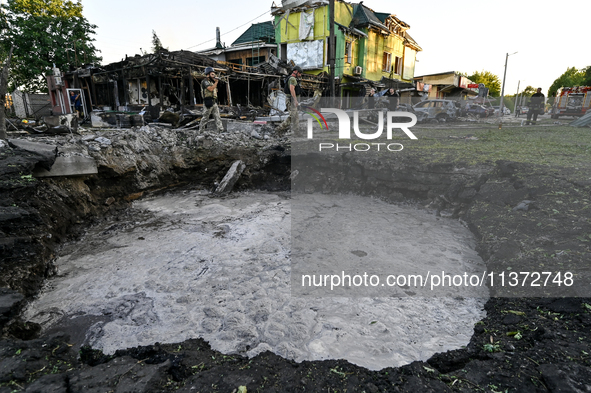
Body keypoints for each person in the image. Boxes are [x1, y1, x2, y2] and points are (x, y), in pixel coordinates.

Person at [277, 66, 302, 134]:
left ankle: (296, 131)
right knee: (293, 116)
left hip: (291, 99)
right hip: (291, 100)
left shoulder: (290, 78)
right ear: (295, 71)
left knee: (296, 116)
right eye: (299, 73)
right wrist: (295, 100)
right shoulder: (292, 79)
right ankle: (279, 128)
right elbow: (292, 90)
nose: (300, 75)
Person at [200, 67, 224, 133]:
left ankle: (220, 130)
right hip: (208, 102)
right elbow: (210, 89)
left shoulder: (211, 82)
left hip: (214, 102)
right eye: (212, 74)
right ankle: (201, 131)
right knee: (205, 117)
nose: (214, 76)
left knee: (217, 116)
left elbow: (214, 90)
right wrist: (216, 83)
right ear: (208, 74)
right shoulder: (204, 82)